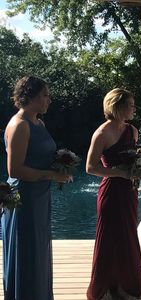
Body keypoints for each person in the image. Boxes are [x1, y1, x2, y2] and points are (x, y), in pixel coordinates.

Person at [2, 76, 71, 300]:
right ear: (29, 96)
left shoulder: (39, 122)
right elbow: (14, 170)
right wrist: (52, 174)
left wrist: (61, 163)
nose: (48, 100)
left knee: (39, 252)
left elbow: (39, 155)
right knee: (27, 253)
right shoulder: (20, 125)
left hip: (40, 196)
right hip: (24, 199)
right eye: (44, 95)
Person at [85, 88, 141, 300]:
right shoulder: (102, 133)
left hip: (129, 192)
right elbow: (90, 167)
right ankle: (108, 287)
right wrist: (119, 172)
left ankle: (125, 286)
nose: (134, 108)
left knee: (127, 236)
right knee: (110, 239)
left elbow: (135, 160)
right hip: (111, 192)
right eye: (130, 105)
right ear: (117, 106)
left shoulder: (133, 131)